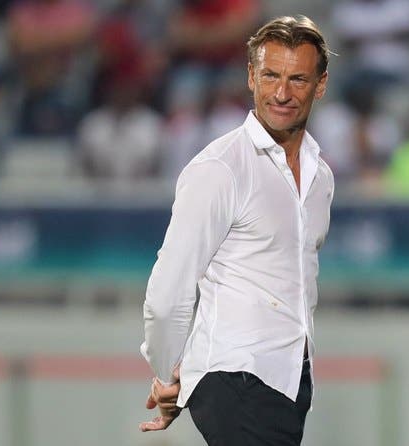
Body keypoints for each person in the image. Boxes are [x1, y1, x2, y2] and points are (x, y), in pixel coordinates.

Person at [138, 15, 334, 445]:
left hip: (288, 382)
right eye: (271, 75)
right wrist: (167, 374)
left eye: (298, 79)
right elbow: (168, 292)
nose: (281, 93)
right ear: (250, 77)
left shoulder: (321, 177)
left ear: (320, 85)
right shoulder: (220, 169)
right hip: (237, 378)